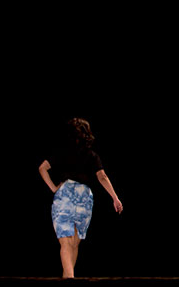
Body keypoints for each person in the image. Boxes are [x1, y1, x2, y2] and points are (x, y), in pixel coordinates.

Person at [38, 118, 123, 278]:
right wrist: (115, 197)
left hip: (65, 194)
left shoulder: (62, 151)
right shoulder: (91, 155)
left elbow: (42, 168)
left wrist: (54, 188)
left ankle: (69, 279)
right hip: (84, 197)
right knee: (74, 243)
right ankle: (69, 277)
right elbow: (102, 176)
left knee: (65, 242)